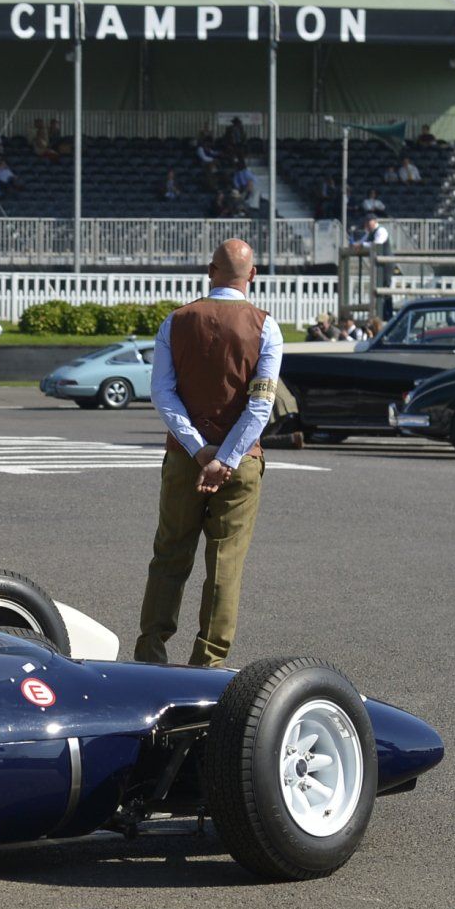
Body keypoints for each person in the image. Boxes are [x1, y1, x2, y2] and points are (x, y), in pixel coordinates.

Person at [135, 239, 282, 668]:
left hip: (185, 458)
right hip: (240, 464)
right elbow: (261, 404)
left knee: (169, 556)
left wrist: (200, 450)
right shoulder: (265, 327)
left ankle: (150, 654)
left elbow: (162, 393)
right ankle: (208, 663)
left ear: (209, 270)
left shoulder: (176, 321)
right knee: (225, 564)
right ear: (252, 274)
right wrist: (227, 459)